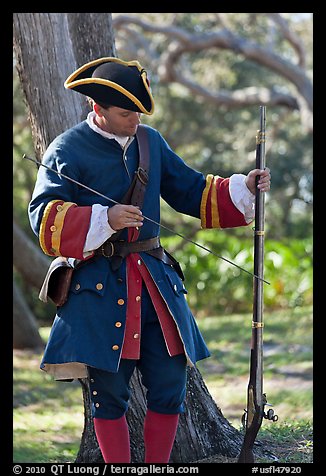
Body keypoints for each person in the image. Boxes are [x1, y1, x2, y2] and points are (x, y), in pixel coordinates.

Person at [28, 57, 271, 463]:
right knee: (109, 396)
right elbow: (45, 219)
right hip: (99, 289)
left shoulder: (150, 142)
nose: (134, 120)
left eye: (139, 111)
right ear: (97, 110)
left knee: (170, 386)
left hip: (157, 286)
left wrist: (242, 186)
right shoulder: (65, 149)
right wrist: (104, 218)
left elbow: (192, 190)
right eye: (125, 113)